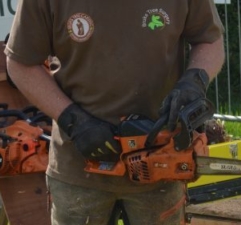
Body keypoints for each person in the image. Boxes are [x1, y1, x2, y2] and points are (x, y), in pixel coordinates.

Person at [4, 1, 225, 224]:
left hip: (162, 161)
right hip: (78, 168)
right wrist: (72, 120)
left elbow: (209, 39)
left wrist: (195, 79)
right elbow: (21, 64)